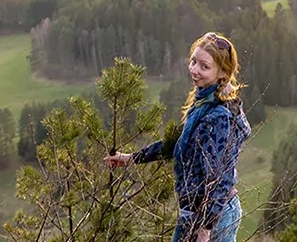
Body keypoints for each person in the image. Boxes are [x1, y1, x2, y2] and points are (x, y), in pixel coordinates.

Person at [104, 31, 252, 242]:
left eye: (204, 66)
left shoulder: (218, 116)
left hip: (212, 217)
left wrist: (205, 229)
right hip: (196, 213)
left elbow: (220, 179)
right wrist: (132, 158)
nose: (194, 70)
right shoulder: (204, 102)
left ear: (222, 73)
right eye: (193, 61)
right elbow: (180, 142)